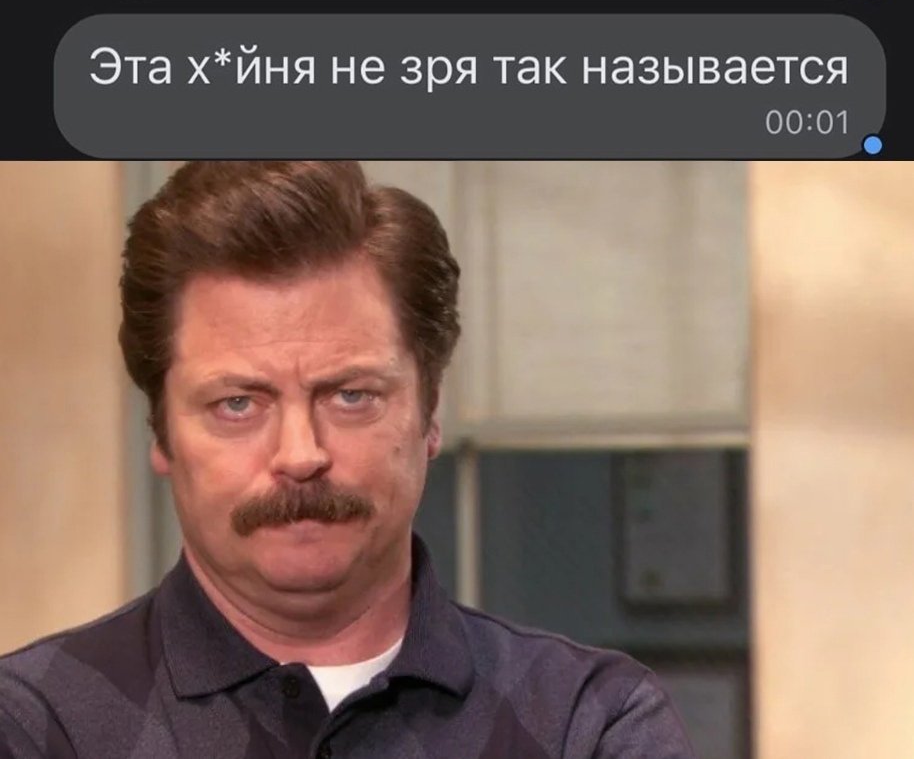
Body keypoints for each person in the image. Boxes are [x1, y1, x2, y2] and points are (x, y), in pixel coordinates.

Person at [0, 161, 695, 758]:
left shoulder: (586, 722)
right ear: (161, 433)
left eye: (351, 395)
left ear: (429, 413)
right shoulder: (35, 725)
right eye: (238, 404)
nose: (301, 455)